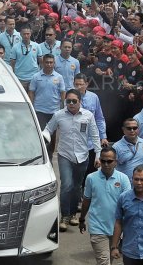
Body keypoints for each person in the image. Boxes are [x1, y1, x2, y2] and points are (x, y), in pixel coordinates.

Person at [43, 89, 101, 232]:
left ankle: (74, 214)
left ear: (80, 101)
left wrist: (98, 155)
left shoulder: (88, 116)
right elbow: (48, 129)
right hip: (65, 155)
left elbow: (94, 135)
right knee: (67, 185)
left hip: (83, 156)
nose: (71, 104)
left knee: (77, 187)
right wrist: (44, 137)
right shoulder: (59, 115)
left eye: (74, 101)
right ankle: (65, 216)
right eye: (68, 101)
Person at [79, 147, 131, 265]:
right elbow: (86, 200)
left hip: (117, 229)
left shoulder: (123, 179)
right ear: (99, 161)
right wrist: (82, 219)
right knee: (104, 261)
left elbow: (128, 204)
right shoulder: (91, 178)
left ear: (115, 162)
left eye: (109, 161)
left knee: (110, 260)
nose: (106, 164)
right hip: (97, 227)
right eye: (103, 161)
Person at [29, 54, 66, 159]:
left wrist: (63, 108)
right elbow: (31, 92)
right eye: (47, 62)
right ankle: (40, 156)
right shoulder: (36, 77)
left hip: (54, 111)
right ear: (43, 63)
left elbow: (62, 93)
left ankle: (49, 157)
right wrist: (31, 107)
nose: (49, 64)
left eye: (51, 62)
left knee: (52, 137)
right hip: (39, 110)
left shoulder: (59, 77)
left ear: (54, 63)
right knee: (40, 135)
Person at [10, 25, 42, 90]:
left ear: (31, 33)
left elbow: (41, 61)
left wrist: (40, 74)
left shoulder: (36, 45)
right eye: (24, 34)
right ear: (20, 34)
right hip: (19, 78)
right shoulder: (15, 47)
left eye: (28, 34)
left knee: (32, 97)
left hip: (33, 77)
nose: (26, 36)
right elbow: (12, 63)